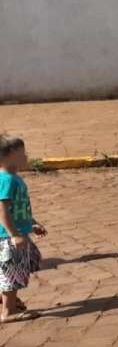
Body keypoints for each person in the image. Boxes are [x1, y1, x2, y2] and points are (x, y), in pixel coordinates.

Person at [0, 135, 44, 323]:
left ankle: (9, 303)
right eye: (21, 153)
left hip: (16, 233)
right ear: (8, 156)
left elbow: (20, 207)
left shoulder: (13, 178)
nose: (26, 157)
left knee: (21, 265)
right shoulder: (7, 180)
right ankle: (9, 311)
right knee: (13, 272)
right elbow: (3, 209)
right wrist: (14, 235)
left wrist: (32, 224)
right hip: (8, 237)